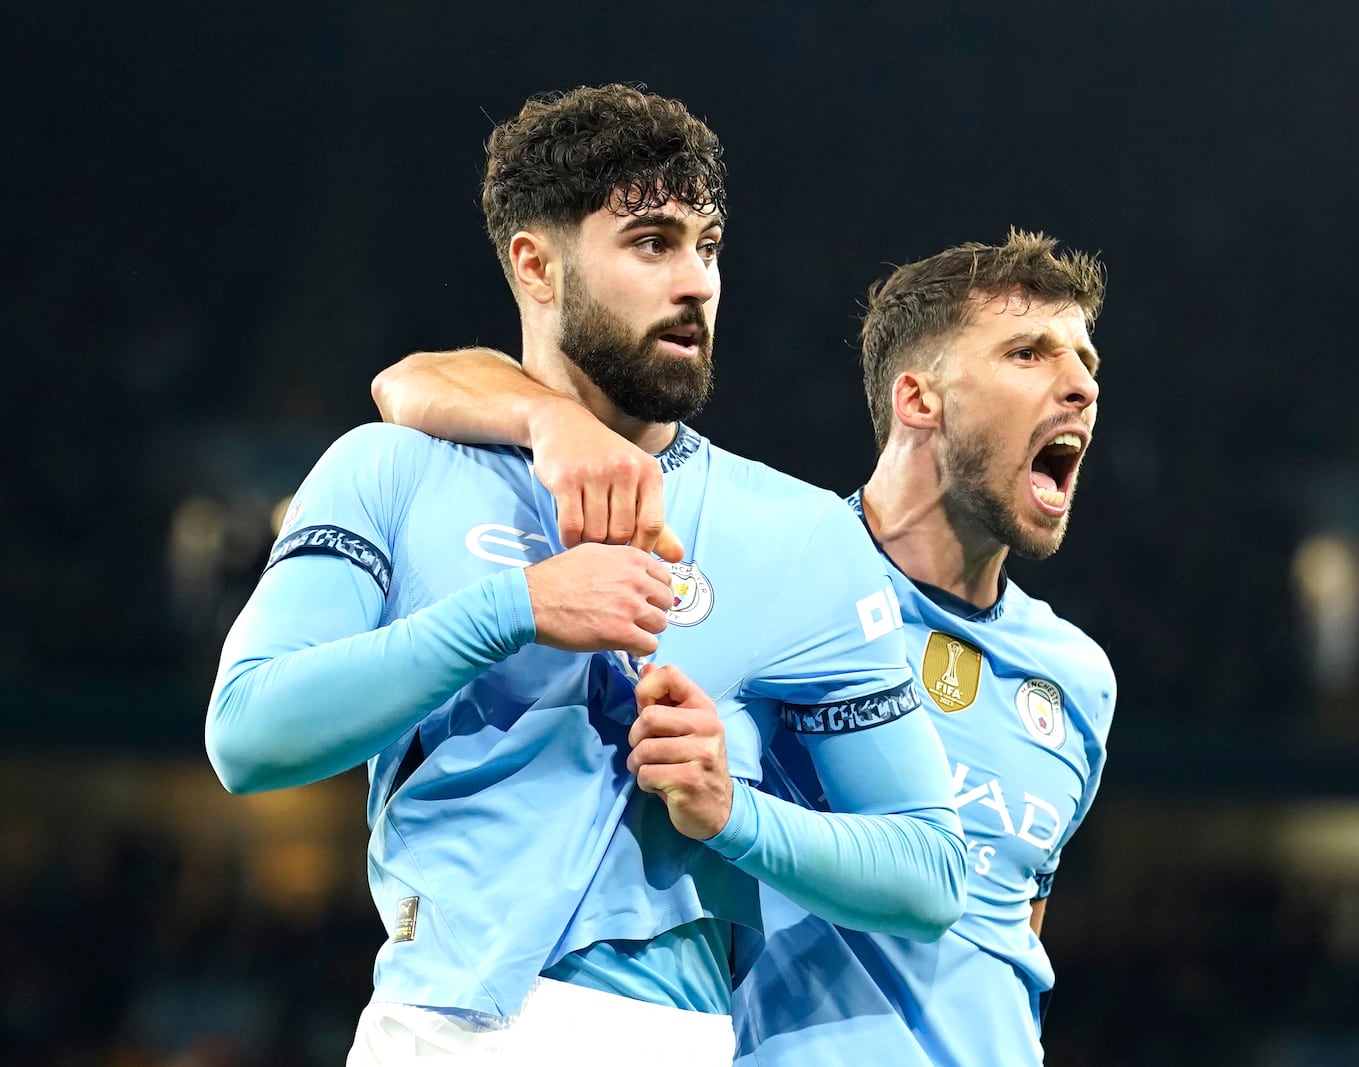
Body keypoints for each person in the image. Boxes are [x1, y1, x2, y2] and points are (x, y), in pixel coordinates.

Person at [204, 84, 965, 1067]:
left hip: (674, 1034)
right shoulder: (389, 467)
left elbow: (930, 870)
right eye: (651, 242)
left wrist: (737, 810)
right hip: (435, 1028)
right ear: (537, 264)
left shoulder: (801, 534)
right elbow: (248, 734)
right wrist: (511, 609)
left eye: (708, 244)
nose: (696, 281)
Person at [372, 229, 1116, 1065]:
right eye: (1030, 353)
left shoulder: (1077, 677)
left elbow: (1012, 933)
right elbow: (409, 380)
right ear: (918, 398)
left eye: (1086, 360)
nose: (1082, 385)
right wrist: (549, 418)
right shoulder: (773, 564)